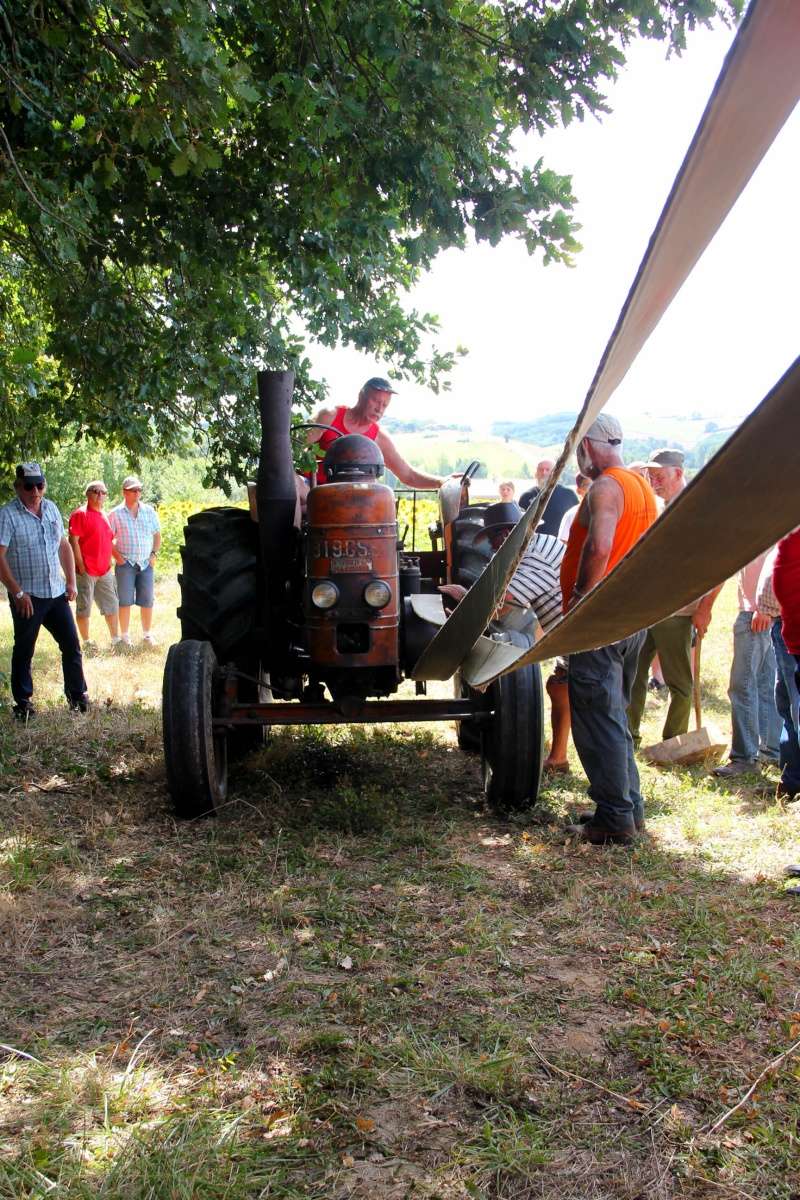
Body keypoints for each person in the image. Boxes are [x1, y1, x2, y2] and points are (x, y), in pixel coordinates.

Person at [559, 415, 658, 845]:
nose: (577, 456)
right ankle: (628, 808)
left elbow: (600, 546)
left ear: (591, 446)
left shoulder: (605, 487)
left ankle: (615, 817)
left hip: (598, 624)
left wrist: (581, 597)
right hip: (630, 616)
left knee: (598, 719)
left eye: (579, 446)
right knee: (614, 716)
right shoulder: (641, 487)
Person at [627, 448, 721, 747]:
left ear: (678, 473)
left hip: (679, 610)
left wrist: (705, 607)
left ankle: (675, 741)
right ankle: (629, 736)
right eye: (651, 476)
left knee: (679, 682)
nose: (654, 482)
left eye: (660, 476)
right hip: (647, 609)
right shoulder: (658, 507)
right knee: (634, 675)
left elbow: (719, 564)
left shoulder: (697, 509)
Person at [0, 462, 88, 719]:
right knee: (25, 648)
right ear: (18, 487)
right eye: (29, 486)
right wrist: (17, 593)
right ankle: (23, 703)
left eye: (40, 485)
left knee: (71, 644)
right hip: (27, 596)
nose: (35, 491)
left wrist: (71, 581)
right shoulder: (7, 515)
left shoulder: (50, 509)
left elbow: (63, 545)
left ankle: (77, 696)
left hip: (55, 593)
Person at [438, 500, 565, 648]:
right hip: (571, 637)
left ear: (506, 535)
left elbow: (501, 606)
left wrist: (459, 619)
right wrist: (466, 596)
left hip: (582, 638)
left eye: (492, 539)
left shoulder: (534, 558)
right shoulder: (540, 543)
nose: (492, 547)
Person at [304, 377, 446, 493]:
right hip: (309, 486)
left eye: (384, 405)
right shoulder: (329, 416)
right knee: (294, 487)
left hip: (350, 497)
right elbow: (297, 448)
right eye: (376, 401)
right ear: (361, 396)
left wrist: (441, 482)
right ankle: (295, 527)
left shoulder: (379, 438)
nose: (379, 409)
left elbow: (408, 475)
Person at [711, 551, 780, 778]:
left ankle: (745, 757)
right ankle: (770, 751)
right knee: (764, 685)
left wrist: (763, 608)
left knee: (742, 687)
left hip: (757, 613)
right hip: (764, 611)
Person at [756, 549, 800, 801]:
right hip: (784, 622)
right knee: (787, 706)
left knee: (795, 706)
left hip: (790, 621)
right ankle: (792, 783)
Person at [109, 475, 162, 647]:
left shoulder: (149, 511)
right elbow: (107, 540)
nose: (137, 493)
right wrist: (119, 559)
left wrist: (154, 554)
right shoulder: (115, 514)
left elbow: (157, 535)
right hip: (126, 564)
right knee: (124, 600)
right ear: (125, 492)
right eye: (134, 490)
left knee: (147, 600)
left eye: (139, 489)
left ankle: (147, 635)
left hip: (146, 563)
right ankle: (125, 636)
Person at [69, 480, 121, 652]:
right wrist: (80, 566)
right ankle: (87, 642)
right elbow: (73, 541)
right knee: (84, 608)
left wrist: (111, 561)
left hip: (104, 571)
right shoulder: (80, 514)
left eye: (103, 492)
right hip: (87, 571)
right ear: (87, 494)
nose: (99, 495)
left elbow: (107, 541)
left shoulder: (104, 515)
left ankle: (116, 640)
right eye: (95, 491)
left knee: (112, 605)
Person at [519, 459, 577, 536]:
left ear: (555, 472)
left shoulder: (569, 495)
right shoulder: (526, 496)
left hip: (560, 544)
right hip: (532, 545)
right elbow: (520, 525)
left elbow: (577, 520)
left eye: (547, 469)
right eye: (540, 469)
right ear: (536, 473)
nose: (544, 472)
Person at [556, 473, 591, 544]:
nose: (594, 488)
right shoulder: (571, 515)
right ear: (579, 491)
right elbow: (563, 544)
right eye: (588, 485)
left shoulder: (609, 513)